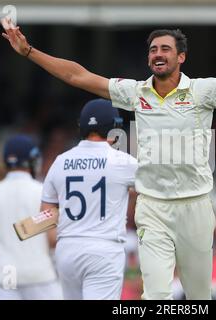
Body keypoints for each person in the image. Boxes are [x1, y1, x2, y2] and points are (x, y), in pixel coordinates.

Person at [1, 20, 216, 300]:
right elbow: (79, 76)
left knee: (198, 297)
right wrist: (29, 51)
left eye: (165, 49)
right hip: (153, 207)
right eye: (153, 49)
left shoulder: (203, 92)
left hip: (195, 205)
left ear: (181, 57)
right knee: (157, 295)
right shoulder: (134, 92)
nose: (157, 54)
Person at [41, 99, 138, 300]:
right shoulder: (122, 162)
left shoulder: (60, 161)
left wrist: (53, 236)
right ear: (115, 128)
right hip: (103, 249)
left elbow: (47, 210)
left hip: (67, 248)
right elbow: (157, 188)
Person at [0, 135, 63, 300]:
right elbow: (52, 239)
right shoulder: (42, 191)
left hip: (7, 274)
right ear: (32, 160)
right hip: (38, 272)